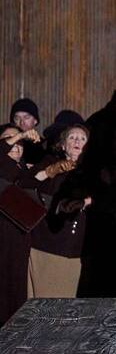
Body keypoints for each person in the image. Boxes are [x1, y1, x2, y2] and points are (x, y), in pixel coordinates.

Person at [19, 124, 92, 298]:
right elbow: (26, 184)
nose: (77, 141)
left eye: (82, 138)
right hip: (48, 245)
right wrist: (51, 171)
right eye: (72, 137)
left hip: (77, 250)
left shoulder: (93, 171)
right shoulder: (50, 162)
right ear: (63, 145)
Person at [0, 125, 40, 324]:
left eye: (20, 142)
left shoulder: (25, 173)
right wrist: (22, 134)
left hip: (20, 244)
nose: (16, 144)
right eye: (9, 139)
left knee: (17, 295)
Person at [10, 98, 45, 164]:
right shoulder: (8, 142)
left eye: (26, 117)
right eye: (17, 118)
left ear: (35, 121)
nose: (22, 122)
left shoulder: (44, 146)